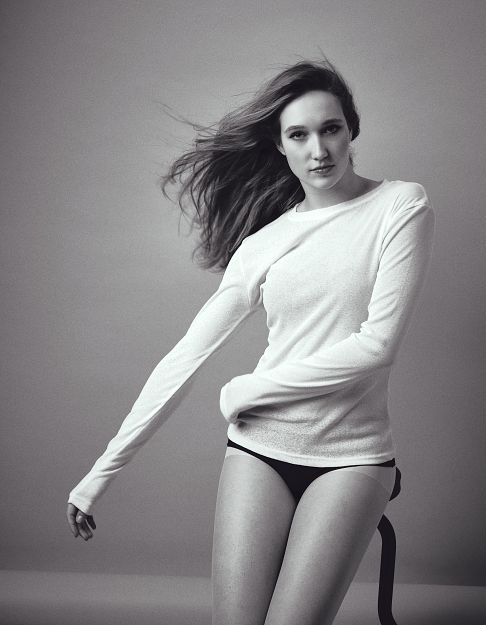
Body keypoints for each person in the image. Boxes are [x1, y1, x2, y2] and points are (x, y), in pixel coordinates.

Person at [66, 58, 435, 625]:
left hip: (352, 455)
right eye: (299, 135)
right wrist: (100, 474)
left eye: (331, 129)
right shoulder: (265, 243)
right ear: (280, 145)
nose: (319, 150)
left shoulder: (400, 205)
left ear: (351, 129)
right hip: (259, 448)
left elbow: (377, 345)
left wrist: (251, 388)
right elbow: (185, 356)